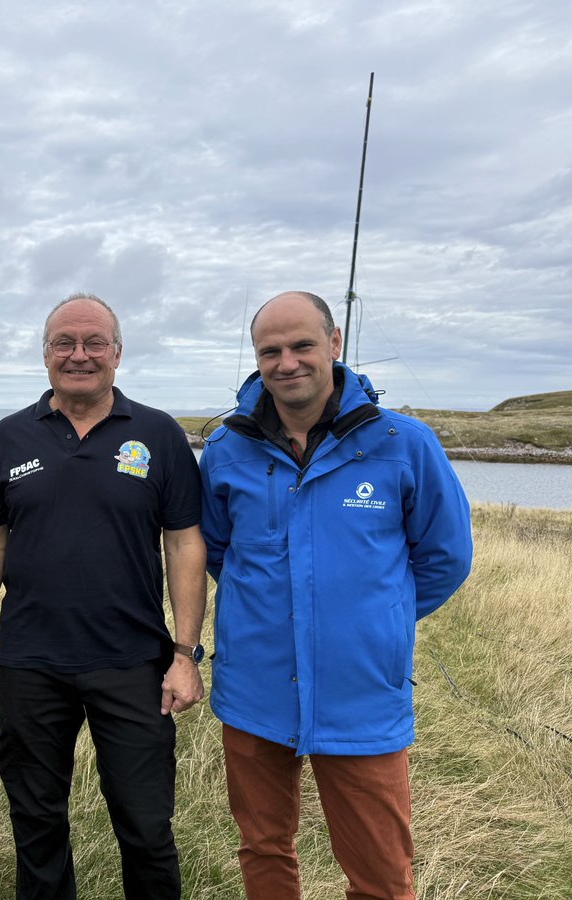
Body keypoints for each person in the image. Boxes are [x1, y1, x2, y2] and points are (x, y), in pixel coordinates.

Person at [199, 290, 473, 899]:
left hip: (362, 692)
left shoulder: (404, 443)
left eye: (301, 345)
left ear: (334, 344)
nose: (287, 362)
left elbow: (445, 557)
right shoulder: (225, 450)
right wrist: (270, 611)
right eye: (270, 350)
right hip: (254, 687)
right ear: (256, 357)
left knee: (380, 873)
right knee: (264, 849)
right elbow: (215, 552)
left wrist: (380, 617)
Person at [0, 292, 206, 900]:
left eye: (94, 342)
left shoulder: (159, 435)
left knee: (146, 827)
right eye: (64, 343)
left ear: (117, 353)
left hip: (133, 663)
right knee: (37, 821)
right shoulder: (12, 436)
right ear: (45, 354)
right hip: (32, 661)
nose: (79, 355)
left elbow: (183, 544)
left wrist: (185, 653)